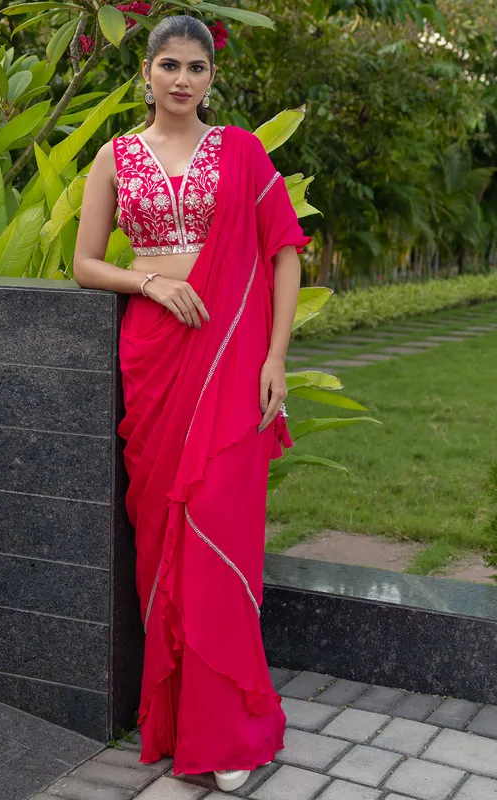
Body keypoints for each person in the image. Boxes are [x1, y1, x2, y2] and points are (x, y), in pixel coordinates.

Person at [74, 14, 311, 793]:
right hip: (155, 355)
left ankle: (225, 729)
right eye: (169, 65)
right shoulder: (115, 158)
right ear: (146, 72)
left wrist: (275, 355)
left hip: (233, 355)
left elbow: (282, 251)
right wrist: (151, 280)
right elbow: (85, 264)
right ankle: (174, 721)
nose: (182, 80)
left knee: (220, 530)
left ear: (212, 77)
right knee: (159, 544)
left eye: (197, 67)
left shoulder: (242, 151)